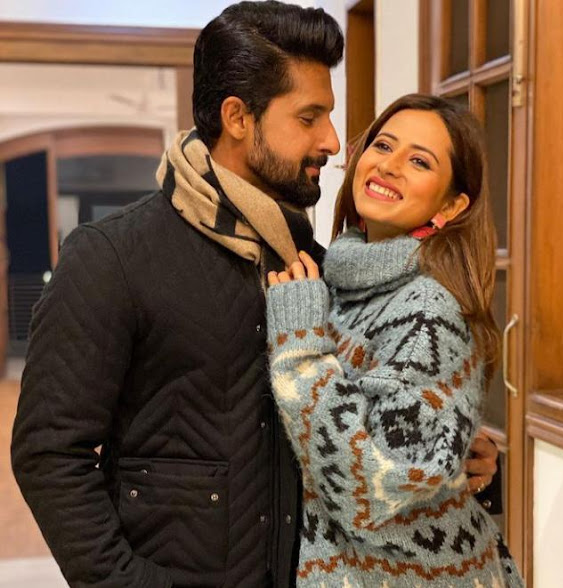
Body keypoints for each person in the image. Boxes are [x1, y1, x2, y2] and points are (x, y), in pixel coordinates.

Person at [11, 3, 500, 587]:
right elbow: (50, 454)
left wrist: (446, 453)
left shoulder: (310, 265)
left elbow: (344, 428)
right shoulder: (112, 256)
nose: (333, 141)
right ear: (238, 117)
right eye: (309, 117)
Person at [266, 94, 523, 586]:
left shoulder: (429, 311)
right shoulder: (341, 280)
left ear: (452, 204)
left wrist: (300, 350)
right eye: (383, 145)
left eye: (420, 161)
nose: (389, 165)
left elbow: (369, 490)